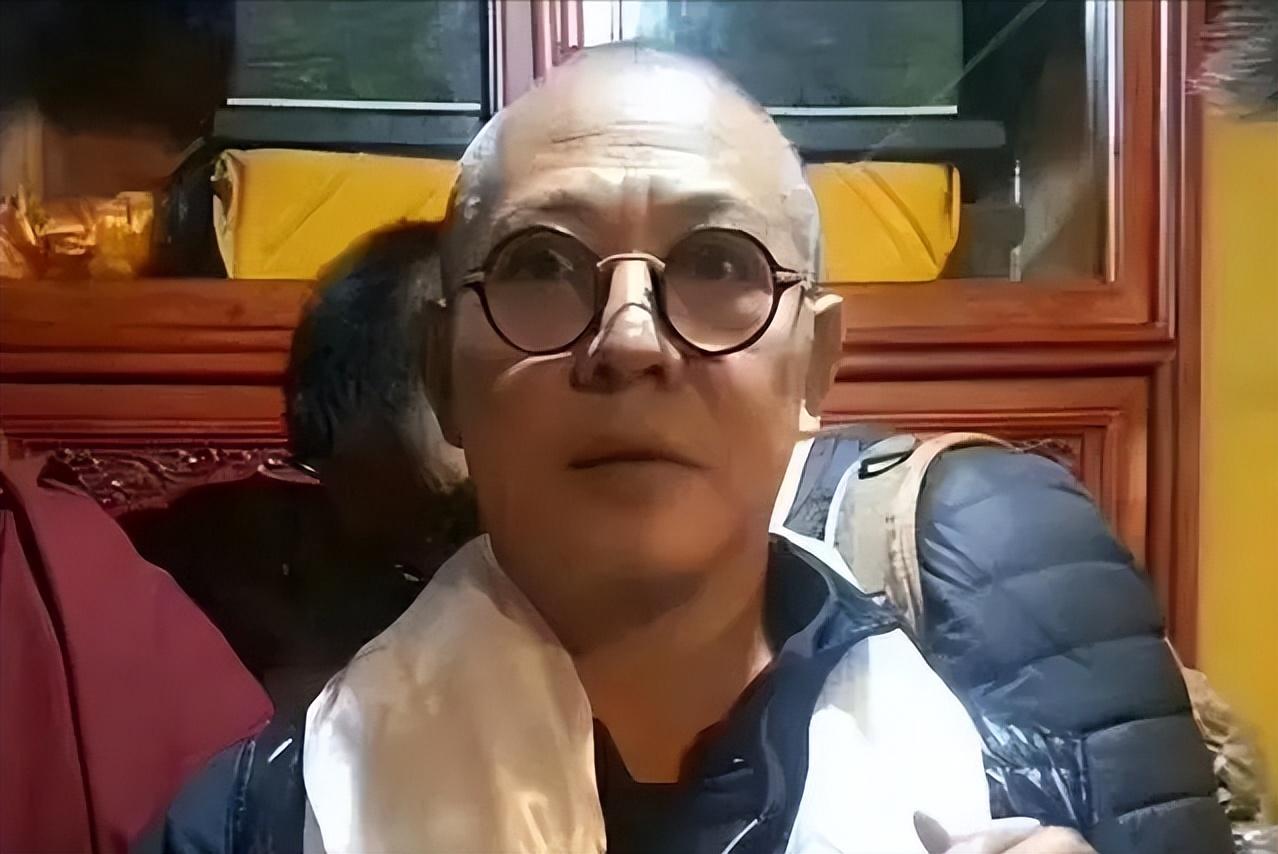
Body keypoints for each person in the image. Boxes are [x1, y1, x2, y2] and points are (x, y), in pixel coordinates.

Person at [159, 46, 1225, 853]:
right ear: (444, 375)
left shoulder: (1036, 773)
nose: (629, 340)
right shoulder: (256, 821)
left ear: (814, 369)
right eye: (542, 266)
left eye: (718, 263)